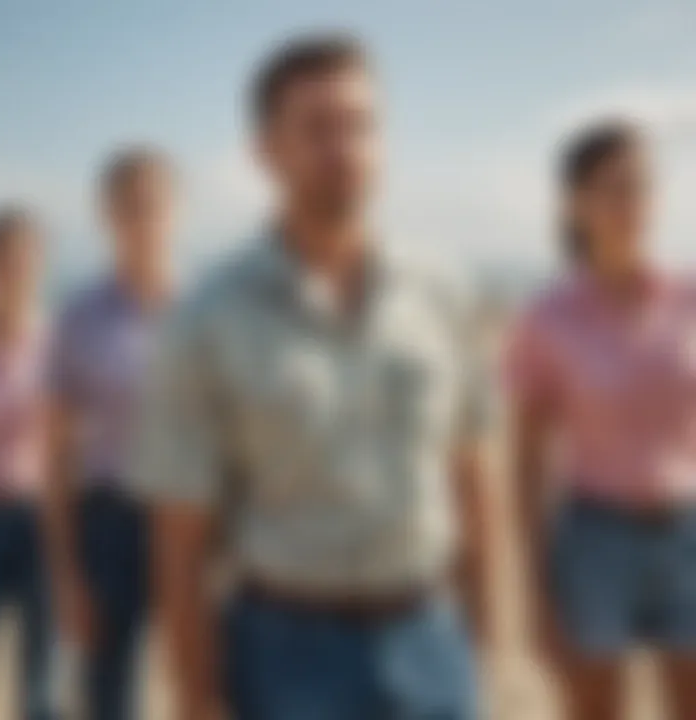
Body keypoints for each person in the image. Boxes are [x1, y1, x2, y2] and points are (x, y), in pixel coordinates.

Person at [135, 35, 493, 720]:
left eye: (362, 125)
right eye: (319, 129)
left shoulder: (444, 290)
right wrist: (195, 697)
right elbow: (179, 539)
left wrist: (479, 643)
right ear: (265, 151)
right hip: (284, 651)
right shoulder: (207, 318)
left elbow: (471, 477)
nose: (346, 148)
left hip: (430, 635)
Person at [507, 121, 696, 720]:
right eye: (613, 188)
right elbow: (526, 462)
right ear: (576, 204)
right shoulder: (547, 318)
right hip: (594, 540)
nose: (631, 204)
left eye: (641, 187)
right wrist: (536, 593)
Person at [44, 147, 177, 720]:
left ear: (176, 212)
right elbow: (56, 458)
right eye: (128, 207)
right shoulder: (77, 317)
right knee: (107, 697)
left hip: (194, 519)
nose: (142, 220)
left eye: (153, 206)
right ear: (106, 216)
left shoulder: (210, 312)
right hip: (110, 522)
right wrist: (66, 573)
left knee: (214, 688)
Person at [0, 207, 55, 720]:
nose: (13, 269)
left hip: (43, 519)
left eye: (23, 259)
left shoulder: (60, 344)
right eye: (2, 258)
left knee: (43, 670)